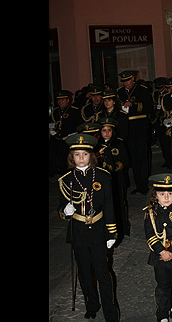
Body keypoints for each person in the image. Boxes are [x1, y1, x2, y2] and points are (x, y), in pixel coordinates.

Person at [57, 133, 120, 321]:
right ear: (71, 157)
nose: (81, 158)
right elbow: (60, 207)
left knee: (102, 272)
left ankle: (110, 311)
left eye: (84, 154)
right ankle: (92, 305)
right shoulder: (66, 180)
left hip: (99, 230)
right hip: (78, 231)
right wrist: (64, 211)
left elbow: (109, 206)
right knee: (84, 272)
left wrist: (111, 233)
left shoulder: (102, 176)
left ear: (91, 156)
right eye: (77, 155)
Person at [143, 173, 172, 322]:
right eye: (162, 194)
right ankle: (162, 312)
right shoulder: (150, 212)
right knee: (162, 285)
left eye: (170, 193)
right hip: (159, 255)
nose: (167, 197)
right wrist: (162, 251)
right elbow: (149, 234)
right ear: (155, 195)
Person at [116, 70, 154, 195]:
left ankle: (143, 184)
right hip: (127, 127)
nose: (126, 83)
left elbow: (149, 107)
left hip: (140, 126)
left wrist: (133, 105)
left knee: (142, 156)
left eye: (127, 80)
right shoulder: (119, 92)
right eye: (124, 81)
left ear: (133, 79)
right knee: (132, 157)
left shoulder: (142, 90)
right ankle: (138, 183)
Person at [97, 116, 131, 240]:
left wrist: (114, 167)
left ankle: (122, 229)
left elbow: (126, 160)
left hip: (117, 179)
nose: (106, 133)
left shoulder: (119, 143)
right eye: (104, 130)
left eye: (109, 130)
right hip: (100, 181)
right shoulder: (96, 145)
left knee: (119, 203)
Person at [50, 90, 83, 175]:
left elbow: (79, 126)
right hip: (57, 140)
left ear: (68, 100)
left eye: (62, 100)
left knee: (69, 163)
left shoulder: (74, 111)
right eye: (58, 100)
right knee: (59, 162)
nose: (60, 102)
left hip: (69, 141)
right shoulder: (55, 112)